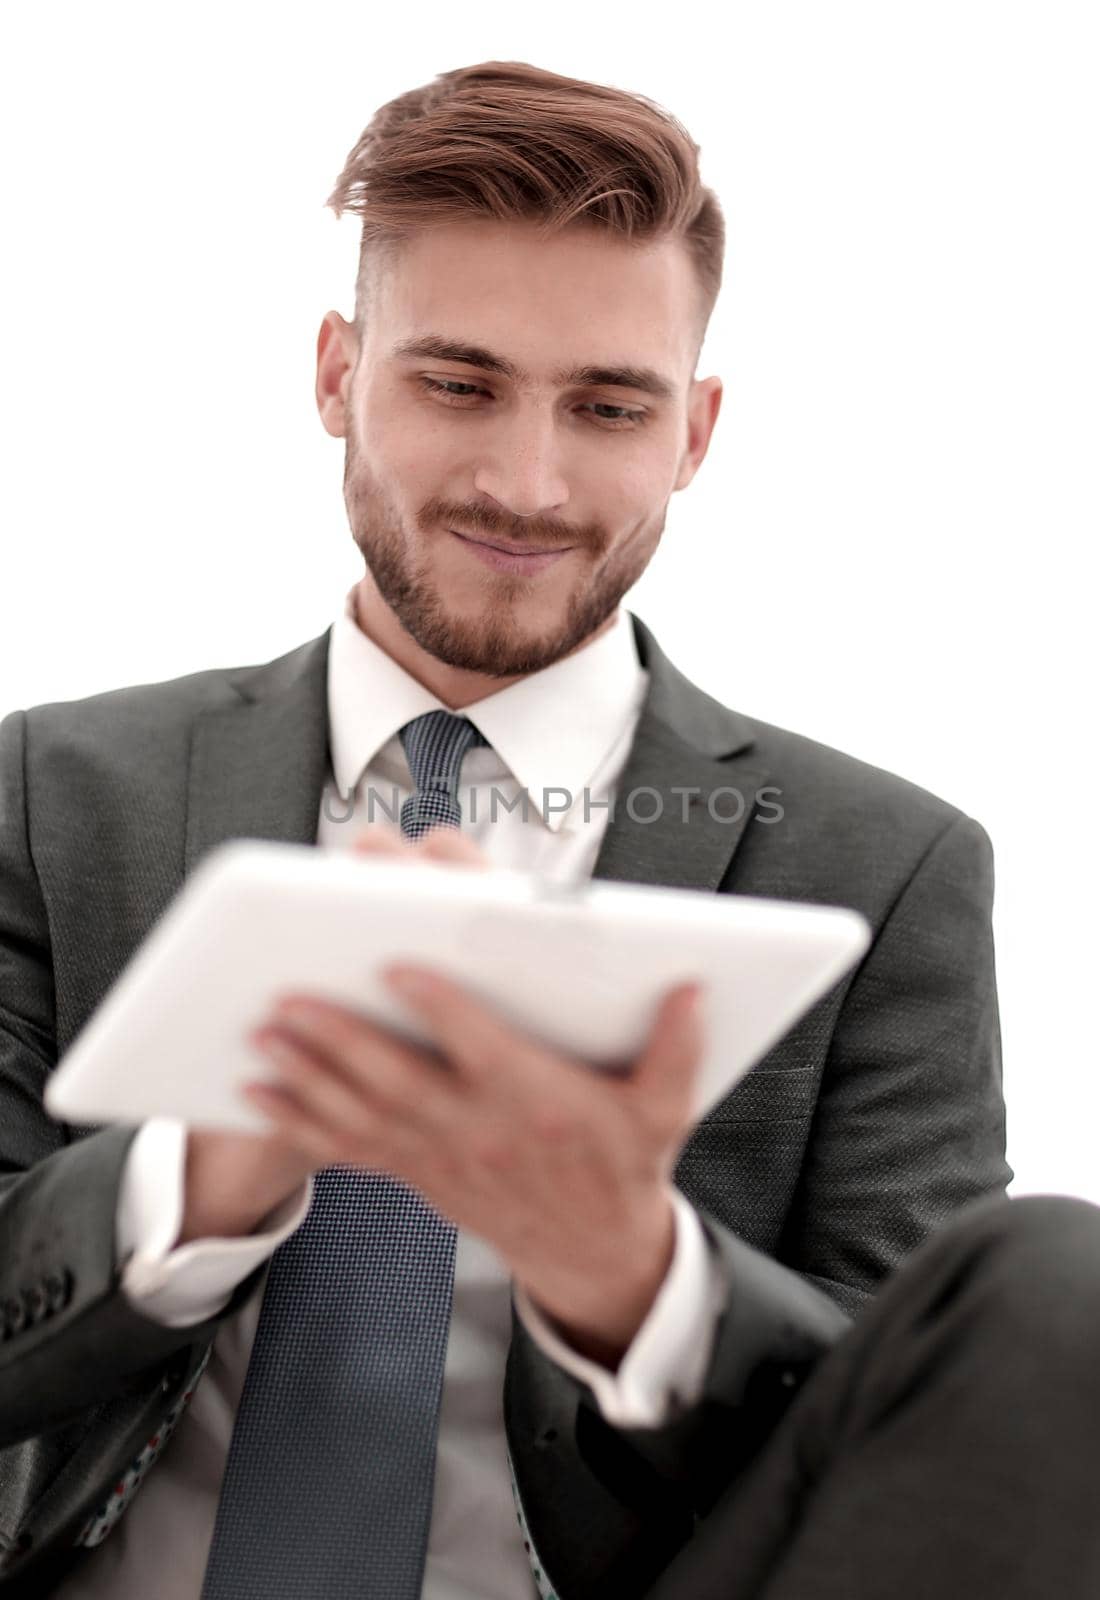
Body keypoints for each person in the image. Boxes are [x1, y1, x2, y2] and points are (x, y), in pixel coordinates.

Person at [0, 58, 1096, 1600]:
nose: (529, 482)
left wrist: (633, 1280)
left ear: (696, 432)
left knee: (1059, 1290)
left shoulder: (886, 870)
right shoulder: (47, 794)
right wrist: (199, 1172)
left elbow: (932, 1442)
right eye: (457, 384)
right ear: (335, 374)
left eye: (608, 407)